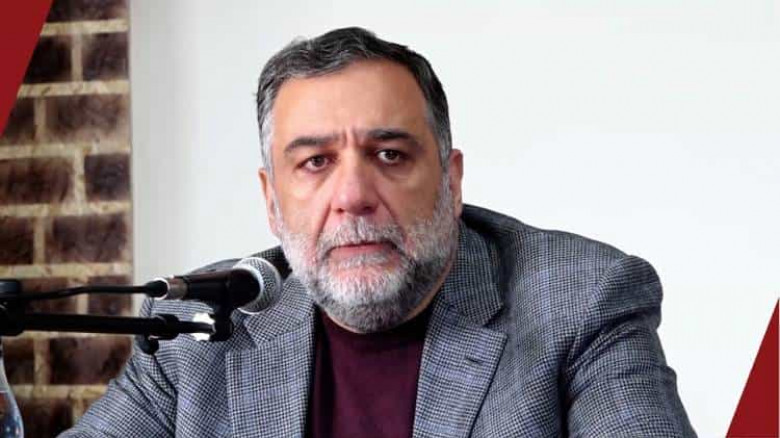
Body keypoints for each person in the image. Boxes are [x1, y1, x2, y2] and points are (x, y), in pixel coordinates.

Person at [61, 27, 695, 437]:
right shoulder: (199, 328)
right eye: (315, 162)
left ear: (451, 181)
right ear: (272, 202)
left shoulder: (580, 301)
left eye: (389, 155)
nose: (353, 197)